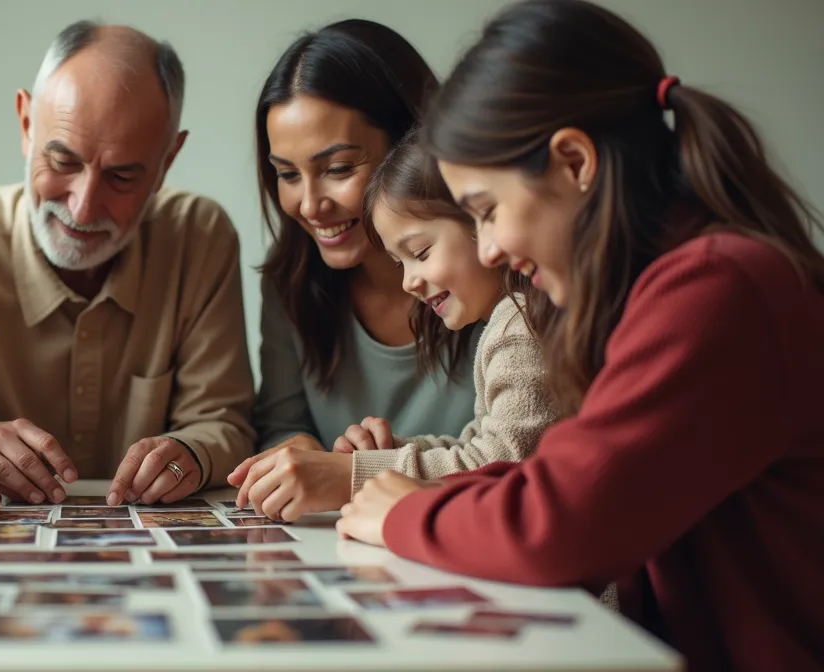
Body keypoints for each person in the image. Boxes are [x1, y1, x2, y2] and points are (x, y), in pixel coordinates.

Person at [337, 1, 824, 669]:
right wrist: (427, 496)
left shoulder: (717, 288)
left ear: (573, 162)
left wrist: (404, 517)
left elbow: (561, 526)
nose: (487, 251)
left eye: (487, 211)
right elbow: (563, 478)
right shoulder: (661, 290)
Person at [0, 21, 254, 507]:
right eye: (63, 162)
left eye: (122, 176)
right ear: (26, 124)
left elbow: (223, 421)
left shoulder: (200, 237)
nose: (83, 209)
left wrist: (190, 450)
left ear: (168, 160)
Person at [230, 130, 557, 522]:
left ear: (482, 220)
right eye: (400, 263)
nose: (409, 282)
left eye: (420, 253)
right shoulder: (506, 323)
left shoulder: (519, 327)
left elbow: (501, 464)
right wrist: (383, 460)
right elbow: (478, 444)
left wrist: (355, 476)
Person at [249, 19, 479, 463]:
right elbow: (280, 426)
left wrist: (365, 469)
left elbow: (515, 453)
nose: (311, 206)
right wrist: (297, 448)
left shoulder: (495, 274)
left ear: (410, 145)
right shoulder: (289, 282)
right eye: (287, 175)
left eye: (337, 169)